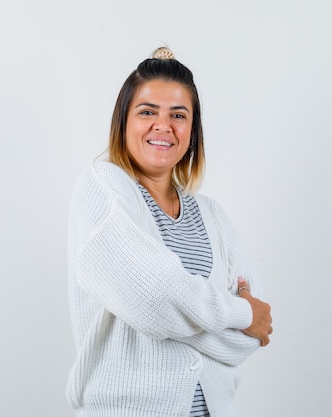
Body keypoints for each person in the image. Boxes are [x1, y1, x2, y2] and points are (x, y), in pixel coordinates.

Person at [66, 46, 273, 417]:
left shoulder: (212, 215)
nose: (163, 126)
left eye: (179, 115)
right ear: (123, 122)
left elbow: (252, 337)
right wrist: (240, 312)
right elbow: (155, 300)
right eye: (147, 112)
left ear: (192, 132)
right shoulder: (102, 189)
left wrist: (179, 313)